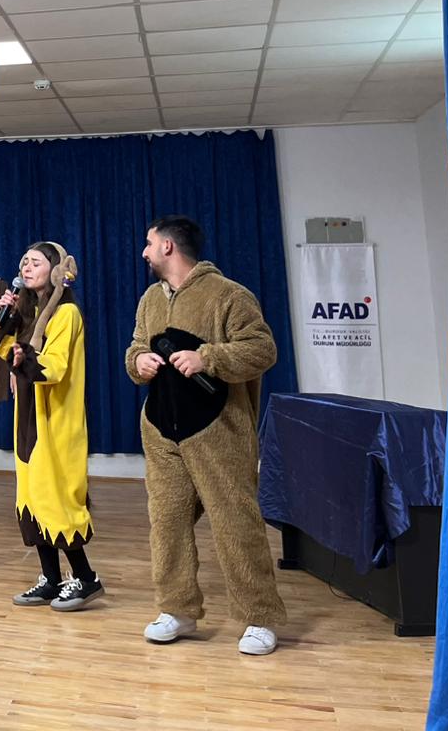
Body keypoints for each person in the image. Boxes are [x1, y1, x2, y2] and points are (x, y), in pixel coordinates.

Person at [125, 215, 287, 656]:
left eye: (149, 243)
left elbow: (263, 349)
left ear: (169, 247)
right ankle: (176, 609)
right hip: (162, 432)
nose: (144, 252)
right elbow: (136, 346)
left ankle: (259, 617)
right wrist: (138, 362)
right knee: (167, 524)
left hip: (219, 433)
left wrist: (207, 358)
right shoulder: (149, 300)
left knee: (236, 524)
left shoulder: (229, 295)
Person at [0, 241, 104, 610]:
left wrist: (23, 359)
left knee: (57, 500)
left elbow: (53, 367)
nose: (27, 267)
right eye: (24, 261)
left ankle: (86, 579)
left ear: (56, 271)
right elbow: (3, 347)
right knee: (31, 498)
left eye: (36, 262)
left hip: (55, 422)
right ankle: (51, 578)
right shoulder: (29, 310)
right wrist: (6, 317)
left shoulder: (66, 314)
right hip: (28, 419)